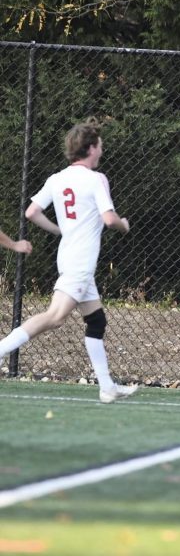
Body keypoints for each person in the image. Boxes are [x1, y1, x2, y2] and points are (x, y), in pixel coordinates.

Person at [0, 117, 137, 404]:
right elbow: (110, 219)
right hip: (80, 263)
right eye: (100, 146)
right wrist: (123, 224)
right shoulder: (96, 179)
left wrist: (59, 230)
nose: (102, 151)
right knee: (54, 317)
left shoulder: (57, 179)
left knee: (96, 320)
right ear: (90, 148)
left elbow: (31, 212)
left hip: (70, 258)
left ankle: (107, 386)